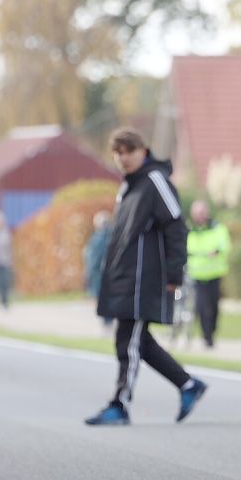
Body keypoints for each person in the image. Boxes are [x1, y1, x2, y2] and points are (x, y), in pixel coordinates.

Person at [84, 129, 207, 426]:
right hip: (125, 280)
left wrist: (175, 273)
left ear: (144, 150)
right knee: (140, 343)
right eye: (118, 152)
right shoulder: (128, 187)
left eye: (128, 150)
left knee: (127, 342)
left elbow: (176, 227)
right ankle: (188, 385)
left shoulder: (155, 181)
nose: (123, 158)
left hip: (145, 280)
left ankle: (120, 405)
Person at [186, 200, 231, 348]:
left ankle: (211, 331)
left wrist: (216, 251)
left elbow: (224, 245)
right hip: (197, 274)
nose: (199, 216)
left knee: (213, 307)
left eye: (201, 213)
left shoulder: (217, 228)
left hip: (214, 273)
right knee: (201, 307)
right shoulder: (190, 229)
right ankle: (207, 336)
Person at [84, 210, 113, 329]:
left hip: (99, 274)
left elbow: (92, 259)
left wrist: (88, 274)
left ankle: (107, 321)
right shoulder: (114, 236)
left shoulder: (97, 238)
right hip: (111, 273)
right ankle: (108, 320)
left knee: (102, 297)